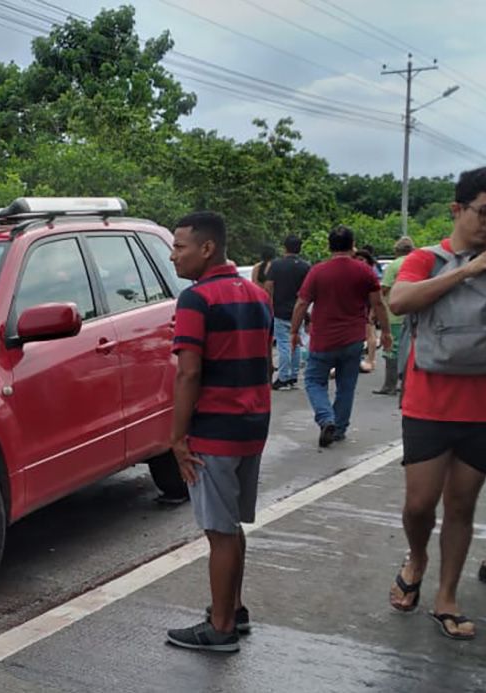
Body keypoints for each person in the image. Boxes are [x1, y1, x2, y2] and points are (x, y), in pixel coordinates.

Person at [387, 166, 486, 640]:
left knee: (461, 506)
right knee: (419, 504)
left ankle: (446, 596)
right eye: (484, 213)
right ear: (458, 209)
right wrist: (468, 269)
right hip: (428, 403)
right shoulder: (427, 260)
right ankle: (417, 557)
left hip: (484, 406)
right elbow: (399, 301)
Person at [166, 211, 272, 653]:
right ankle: (234, 609)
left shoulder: (196, 300)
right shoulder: (256, 294)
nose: (173, 256)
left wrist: (176, 438)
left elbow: (188, 373)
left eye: (179, 247)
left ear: (206, 249)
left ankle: (221, 627)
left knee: (219, 531)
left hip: (215, 429)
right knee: (231, 525)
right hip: (252, 423)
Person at [289, 226, 392, 448]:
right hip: (353, 339)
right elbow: (378, 303)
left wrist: (294, 331)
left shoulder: (318, 271)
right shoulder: (364, 271)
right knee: (346, 386)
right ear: (352, 245)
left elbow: (302, 303)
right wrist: (387, 332)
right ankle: (339, 429)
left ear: (329, 246)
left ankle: (326, 418)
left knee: (314, 381)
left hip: (323, 339)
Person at [265, 235, 310, 390]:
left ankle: (283, 378)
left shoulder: (276, 265)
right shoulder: (305, 266)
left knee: (283, 345)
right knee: (295, 343)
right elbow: (307, 290)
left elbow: (269, 286)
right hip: (298, 310)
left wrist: (269, 306)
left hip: (280, 310)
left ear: (285, 248)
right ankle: (293, 377)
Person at [373, 237, 415, 395]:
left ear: (396, 251)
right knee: (410, 349)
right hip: (414, 313)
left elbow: (384, 289)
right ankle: (407, 384)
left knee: (391, 348)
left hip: (395, 314)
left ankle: (389, 385)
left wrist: (374, 310)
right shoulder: (417, 263)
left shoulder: (394, 266)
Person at [354, 249, 380, 374]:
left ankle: (371, 360)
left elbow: (376, 297)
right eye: (357, 259)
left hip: (368, 306)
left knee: (370, 334)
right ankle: (364, 360)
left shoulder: (370, 274)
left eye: (362, 259)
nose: (359, 262)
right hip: (359, 307)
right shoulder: (357, 273)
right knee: (364, 335)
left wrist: (373, 311)